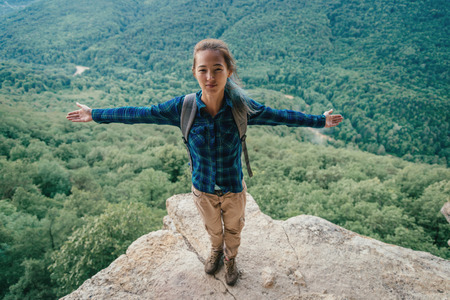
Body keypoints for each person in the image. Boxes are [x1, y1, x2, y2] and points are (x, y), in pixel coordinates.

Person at [66, 39, 343, 286]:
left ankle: (231, 258)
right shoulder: (183, 108)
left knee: (234, 229)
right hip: (203, 188)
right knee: (213, 229)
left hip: (234, 187)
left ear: (228, 72)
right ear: (195, 72)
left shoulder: (241, 106)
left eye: (217, 69)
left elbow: (281, 116)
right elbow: (141, 113)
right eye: (203, 69)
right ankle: (215, 251)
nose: (210, 76)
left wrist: (320, 121)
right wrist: (96, 114)